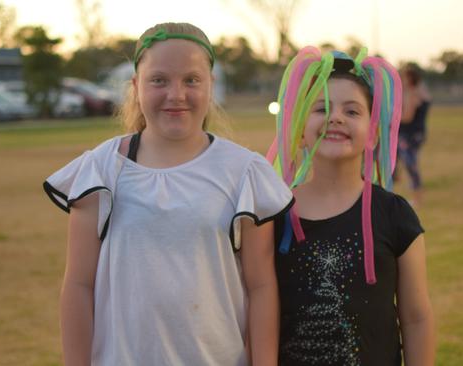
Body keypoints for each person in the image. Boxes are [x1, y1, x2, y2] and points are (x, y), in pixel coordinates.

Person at [43, 22, 293, 366]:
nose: (176, 94)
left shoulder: (243, 172)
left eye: (191, 80)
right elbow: (78, 285)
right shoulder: (101, 169)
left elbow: (261, 287)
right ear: (136, 87)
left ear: (211, 85)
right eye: (158, 80)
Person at [267, 47, 435, 365]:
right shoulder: (274, 215)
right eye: (322, 108)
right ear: (299, 129)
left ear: (372, 133)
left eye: (352, 111)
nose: (336, 117)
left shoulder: (395, 215)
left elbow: (416, 318)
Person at [397, 65, 431, 206]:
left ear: (409, 79)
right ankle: (417, 196)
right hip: (418, 133)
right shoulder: (422, 92)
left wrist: (391, 117)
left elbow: (407, 117)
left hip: (408, 135)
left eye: (403, 77)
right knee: (412, 164)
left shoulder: (412, 94)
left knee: (411, 166)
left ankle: (417, 198)